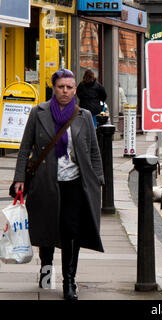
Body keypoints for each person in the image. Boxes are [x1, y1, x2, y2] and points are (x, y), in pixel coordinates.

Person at [12, 68, 105, 300]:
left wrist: (98, 179)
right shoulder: (38, 113)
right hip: (45, 182)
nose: (65, 91)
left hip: (74, 182)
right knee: (47, 228)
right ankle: (46, 269)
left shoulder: (83, 116)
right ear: (53, 89)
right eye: (61, 87)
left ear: (75, 89)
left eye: (69, 87)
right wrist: (19, 179)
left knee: (70, 231)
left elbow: (94, 151)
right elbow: (25, 149)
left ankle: (69, 282)